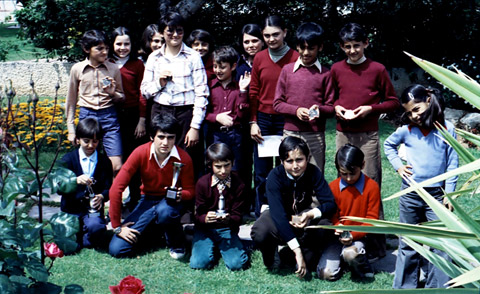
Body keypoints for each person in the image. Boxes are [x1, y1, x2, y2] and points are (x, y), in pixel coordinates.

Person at [331, 22, 399, 258]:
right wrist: (337, 107)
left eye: (356, 46)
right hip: (343, 132)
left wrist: (370, 108)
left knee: (371, 185)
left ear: (366, 43)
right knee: (346, 182)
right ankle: (346, 235)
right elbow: (330, 100)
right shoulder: (337, 69)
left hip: (368, 135)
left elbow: (393, 101)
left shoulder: (377, 69)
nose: (352, 51)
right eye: (347, 47)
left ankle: (378, 245)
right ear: (341, 47)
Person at [384, 84, 458, 289]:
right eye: (408, 112)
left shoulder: (446, 128)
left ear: (428, 100)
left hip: (437, 196)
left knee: (440, 243)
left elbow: (453, 162)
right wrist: (399, 167)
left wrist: (449, 194)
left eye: (416, 109)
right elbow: (388, 145)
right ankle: (405, 287)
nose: (414, 115)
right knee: (408, 242)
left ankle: (437, 287)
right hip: (410, 195)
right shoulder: (406, 130)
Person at [108, 112, 195, 259]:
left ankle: (177, 243)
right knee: (117, 249)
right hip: (147, 201)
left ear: (176, 138)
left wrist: (182, 195)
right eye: (161, 137)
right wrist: (117, 227)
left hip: (171, 204)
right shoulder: (140, 152)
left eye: (170, 137)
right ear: (151, 137)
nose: (165, 143)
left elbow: (191, 191)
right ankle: (158, 235)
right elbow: (116, 189)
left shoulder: (184, 158)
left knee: (165, 211)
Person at [250, 136, 336, 278]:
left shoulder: (313, 172)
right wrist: (297, 251)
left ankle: (295, 254)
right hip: (280, 217)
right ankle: (273, 255)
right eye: (289, 161)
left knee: (325, 226)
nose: (295, 166)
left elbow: (330, 204)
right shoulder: (274, 176)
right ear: (282, 161)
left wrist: (310, 214)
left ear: (307, 158)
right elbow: (278, 215)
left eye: (299, 160)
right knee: (260, 229)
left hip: (302, 216)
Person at [141, 11, 209, 179]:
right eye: (170, 30)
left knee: (186, 158)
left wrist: (195, 127)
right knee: (160, 155)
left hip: (185, 114)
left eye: (179, 30)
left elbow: (202, 93)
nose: (175, 35)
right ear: (163, 32)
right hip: (160, 111)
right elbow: (145, 91)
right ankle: (159, 196)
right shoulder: (154, 58)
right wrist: (160, 82)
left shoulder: (193, 57)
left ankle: (185, 200)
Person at [249, 16, 299, 217]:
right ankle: (262, 209)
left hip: (284, 119)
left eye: (275, 34)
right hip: (262, 118)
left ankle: (285, 207)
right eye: (267, 35)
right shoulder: (260, 57)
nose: (271, 39)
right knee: (261, 170)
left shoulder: (295, 57)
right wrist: (253, 121)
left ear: (285, 32)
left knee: (285, 165)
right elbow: (254, 91)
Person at [273, 22, 335, 172]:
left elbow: (331, 107)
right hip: (291, 132)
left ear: (320, 47)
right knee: (289, 175)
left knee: (315, 174)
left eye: (311, 48)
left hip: (315, 135)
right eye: (302, 48)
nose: (306, 52)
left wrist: (318, 110)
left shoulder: (326, 74)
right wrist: (297, 110)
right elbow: (277, 103)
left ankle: (313, 197)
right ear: (297, 47)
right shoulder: (287, 71)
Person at [66, 29, 125, 174]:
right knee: (88, 164)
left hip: (108, 116)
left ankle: (109, 194)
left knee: (116, 165)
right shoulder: (77, 69)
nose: (105, 52)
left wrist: (113, 93)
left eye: (106, 48)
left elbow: (122, 97)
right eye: (99, 49)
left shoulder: (113, 68)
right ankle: (90, 194)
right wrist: (71, 129)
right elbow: (71, 99)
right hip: (87, 115)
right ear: (87, 49)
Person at [317, 144, 379, 281]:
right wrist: (337, 225)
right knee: (325, 274)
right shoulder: (333, 187)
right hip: (337, 237)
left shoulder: (371, 187)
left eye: (353, 173)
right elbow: (331, 213)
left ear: (362, 165)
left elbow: (372, 219)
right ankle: (343, 264)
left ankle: (361, 264)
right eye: (344, 174)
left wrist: (353, 235)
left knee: (351, 253)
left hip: (359, 236)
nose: (349, 178)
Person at [190, 143, 249, 270]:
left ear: (233, 163)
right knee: (199, 264)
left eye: (227, 165)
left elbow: (238, 216)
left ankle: (227, 247)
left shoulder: (239, 184)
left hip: (227, 228)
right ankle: (211, 247)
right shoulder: (202, 183)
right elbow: (197, 215)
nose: (223, 171)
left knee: (237, 264)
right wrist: (205, 218)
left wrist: (229, 219)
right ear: (210, 165)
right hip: (205, 229)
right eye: (218, 167)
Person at [110, 26, 148, 210]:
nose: (123, 47)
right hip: (111, 115)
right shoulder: (107, 63)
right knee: (114, 160)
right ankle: (111, 199)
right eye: (119, 44)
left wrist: (142, 120)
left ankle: (135, 198)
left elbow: (142, 93)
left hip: (132, 116)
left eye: (126, 44)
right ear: (112, 44)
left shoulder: (137, 65)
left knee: (134, 159)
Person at [59, 117, 112, 249]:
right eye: (86, 141)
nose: (90, 145)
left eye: (95, 142)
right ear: (78, 139)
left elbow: (109, 187)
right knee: (69, 247)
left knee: (96, 230)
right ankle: (77, 233)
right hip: (71, 208)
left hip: (91, 210)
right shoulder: (68, 160)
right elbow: (58, 188)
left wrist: (102, 196)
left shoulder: (104, 161)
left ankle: (85, 234)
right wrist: (74, 181)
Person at [205, 46, 251, 192]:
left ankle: (236, 202)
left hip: (235, 134)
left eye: (222, 67)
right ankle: (216, 200)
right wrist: (216, 117)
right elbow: (202, 112)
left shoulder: (239, 88)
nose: (218, 70)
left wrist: (243, 91)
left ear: (233, 66)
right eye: (215, 66)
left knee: (236, 168)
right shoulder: (209, 87)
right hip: (216, 133)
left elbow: (243, 115)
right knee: (216, 166)